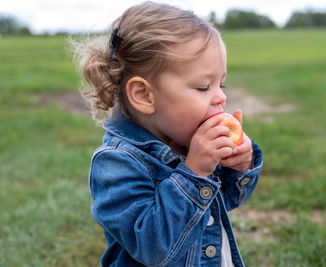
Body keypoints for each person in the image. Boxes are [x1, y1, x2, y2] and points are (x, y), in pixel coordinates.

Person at [74, 2, 263, 266]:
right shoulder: (116, 163)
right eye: (203, 87)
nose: (221, 97)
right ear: (144, 95)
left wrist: (241, 165)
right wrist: (194, 172)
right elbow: (153, 248)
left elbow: (227, 200)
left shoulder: (187, 140)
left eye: (221, 84)